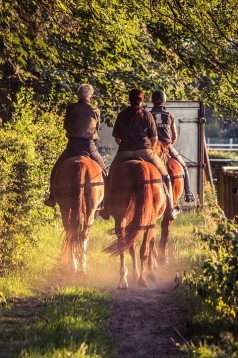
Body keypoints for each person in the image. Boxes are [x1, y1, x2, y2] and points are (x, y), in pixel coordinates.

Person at [99, 88, 180, 220]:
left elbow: (117, 139)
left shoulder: (122, 114)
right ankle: (170, 209)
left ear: (129, 100)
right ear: (142, 100)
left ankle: (106, 209)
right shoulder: (147, 115)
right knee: (166, 177)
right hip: (145, 151)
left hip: (124, 152)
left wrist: (126, 146)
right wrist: (149, 148)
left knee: (109, 177)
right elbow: (154, 139)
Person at [44, 83, 107, 208]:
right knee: (104, 172)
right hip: (89, 146)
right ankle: (106, 202)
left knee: (55, 169)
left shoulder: (71, 108)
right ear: (91, 97)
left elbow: (66, 126)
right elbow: (97, 129)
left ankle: (52, 197)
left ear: (78, 95)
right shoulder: (95, 110)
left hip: (72, 145)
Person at [150, 90, 195, 202]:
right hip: (167, 147)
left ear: (153, 101)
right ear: (164, 101)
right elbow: (175, 136)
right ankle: (188, 193)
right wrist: (168, 146)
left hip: (151, 148)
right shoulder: (169, 115)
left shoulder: (148, 115)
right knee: (184, 167)